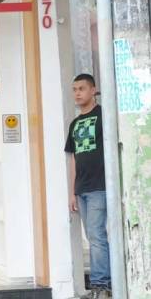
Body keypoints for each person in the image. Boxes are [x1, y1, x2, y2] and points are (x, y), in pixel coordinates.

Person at [65, 73, 111, 299]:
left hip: (99, 186)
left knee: (96, 235)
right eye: (74, 89)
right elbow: (73, 158)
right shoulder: (74, 124)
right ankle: (100, 285)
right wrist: (72, 191)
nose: (77, 93)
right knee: (93, 235)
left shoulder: (104, 115)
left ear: (93, 90)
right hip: (82, 188)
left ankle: (102, 286)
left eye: (81, 89)